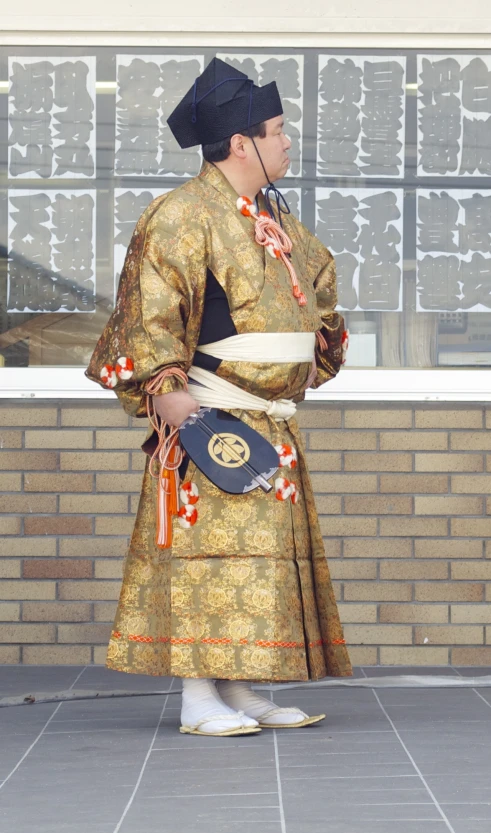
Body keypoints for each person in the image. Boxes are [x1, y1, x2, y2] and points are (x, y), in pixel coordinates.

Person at [86, 57, 352, 738]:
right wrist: (163, 388)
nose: (288, 143)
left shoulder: (275, 220)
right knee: (210, 559)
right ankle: (198, 696)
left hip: (269, 414)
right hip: (206, 410)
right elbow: (149, 311)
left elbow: (314, 296)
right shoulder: (179, 214)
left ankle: (240, 686)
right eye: (279, 131)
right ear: (242, 143)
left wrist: (314, 332)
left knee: (254, 563)